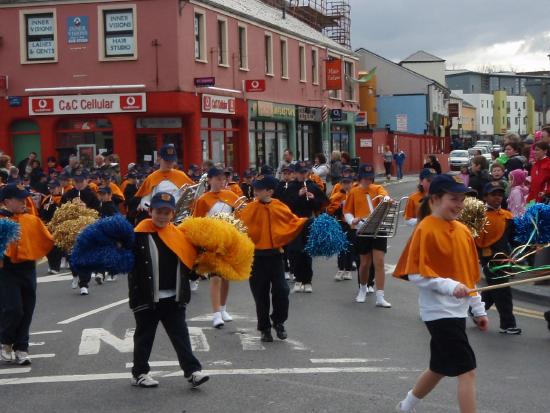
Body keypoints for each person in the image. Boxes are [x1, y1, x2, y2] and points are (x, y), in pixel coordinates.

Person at [393, 174, 488, 413]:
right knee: (468, 371)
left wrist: (478, 310)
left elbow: (468, 276)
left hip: (457, 312)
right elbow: (416, 274)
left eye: (462, 199)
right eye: (453, 199)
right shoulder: (425, 228)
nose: (459, 204)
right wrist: (449, 286)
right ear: (435, 199)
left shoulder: (463, 231)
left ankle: (406, 406)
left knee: (440, 367)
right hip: (438, 313)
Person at [129, 192, 209, 388]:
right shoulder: (138, 234)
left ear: (172, 214)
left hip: (174, 297)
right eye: (158, 212)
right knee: (144, 337)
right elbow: (129, 264)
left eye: (167, 212)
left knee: (181, 336)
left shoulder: (179, 235)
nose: (162, 216)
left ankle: (192, 372)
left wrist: (200, 269)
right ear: (150, 211)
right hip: (147, 298)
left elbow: (186, 262)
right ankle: (139, 373)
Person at [238, 175, 308, 342]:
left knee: (282, 290)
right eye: (254, 188)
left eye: (259, 189)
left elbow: (292, 222)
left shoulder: (279, 207)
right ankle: (264, 328)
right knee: (260, 295)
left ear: (270, 191)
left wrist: (307, 222)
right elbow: (239, 228)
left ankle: (278, 321)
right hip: (255, 257)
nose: (255, 191)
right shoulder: (248, 209)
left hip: (276, 256)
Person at [0, 183, 54, 365]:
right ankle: (6, 341)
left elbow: (47, 239)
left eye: (25, 198)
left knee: (28, 309)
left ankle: (22, 347)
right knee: (14, 308)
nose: (25, 201)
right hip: (6, 271)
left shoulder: (31, 220)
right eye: (19, 199)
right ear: (7, 201)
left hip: (28, 269)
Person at [193, 167, 240, 328]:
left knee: (226, 277)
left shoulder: (231, 195)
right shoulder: (203, 200)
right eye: (218, 179)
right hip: (212, 242)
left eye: (223, 179)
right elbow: (197, 221)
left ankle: (223, 308)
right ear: (210, 180)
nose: (222, 182)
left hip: (228, 240)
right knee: (215, 277)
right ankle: (215, 314)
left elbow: (242, 213)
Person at [475, 181, 521, 335]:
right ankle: (507, 324)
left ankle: (475, 311)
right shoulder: (479, 216)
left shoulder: (507, 216)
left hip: (505, 258)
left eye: (500, 194)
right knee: (502, 290)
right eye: (493, 195)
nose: (497, 198)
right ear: (485, 197)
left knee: (493, 289)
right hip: (490, 259)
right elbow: (475, 241)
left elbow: (513, 239)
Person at [343, 164, 392, 307]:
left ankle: (380, 296)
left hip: (378, 228)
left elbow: (385, 197)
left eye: (370, 178)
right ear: (360, 178)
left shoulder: (377, 188)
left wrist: (386, 200)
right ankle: (362, 289)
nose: (367, 181)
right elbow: (347, 211)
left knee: (379, 262)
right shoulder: (354, 191)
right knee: (364, 264)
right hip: (362, 229)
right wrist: (353, 220)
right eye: (364, 178)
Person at [279, 163, 327, 293]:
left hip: (308, 221)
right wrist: (298, 195)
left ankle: (307, 280)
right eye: (299, 172)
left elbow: (321, 205)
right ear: (295, 173)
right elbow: (285, 206)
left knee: (306, 251)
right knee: (294, 251)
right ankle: (298, 278)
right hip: (294, 222)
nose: (302, 175)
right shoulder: (290, 188)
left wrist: (313, 199)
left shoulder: (312, 186)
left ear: (307, 173)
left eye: (304, 172)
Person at [134, 144, 193, 214]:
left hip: (179, 217)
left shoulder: (182, 175)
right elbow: (145, 201)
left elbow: (192, 196)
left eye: (171, 161)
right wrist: (152, 209)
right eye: (166, 161)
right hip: (160, 216)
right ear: (159, 159)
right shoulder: (151, 178)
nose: (169, 164)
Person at [327, 176, 354, 281]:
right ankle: (340, 269)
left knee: (350, 246)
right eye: (345, 183)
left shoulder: (354, 195)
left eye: (349, 183)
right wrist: (338, 207)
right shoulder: (336, 196)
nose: (347, 185)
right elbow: (329, 210)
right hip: (340, 223)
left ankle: (348, 270)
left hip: (352, 223)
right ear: (341, 184)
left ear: (352, 184)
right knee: (341, 246)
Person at [39, 180, 63, 275]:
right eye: (50, 188)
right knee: (48, 247)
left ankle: (55, 267)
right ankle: (51, 265)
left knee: (56, 247)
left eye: (54, 188)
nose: (52, 190)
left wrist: (54, 205)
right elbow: (41, 212)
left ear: (58, 188)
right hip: (47, 225)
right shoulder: (46, 199)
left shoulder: (62, 198)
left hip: (58, 225)